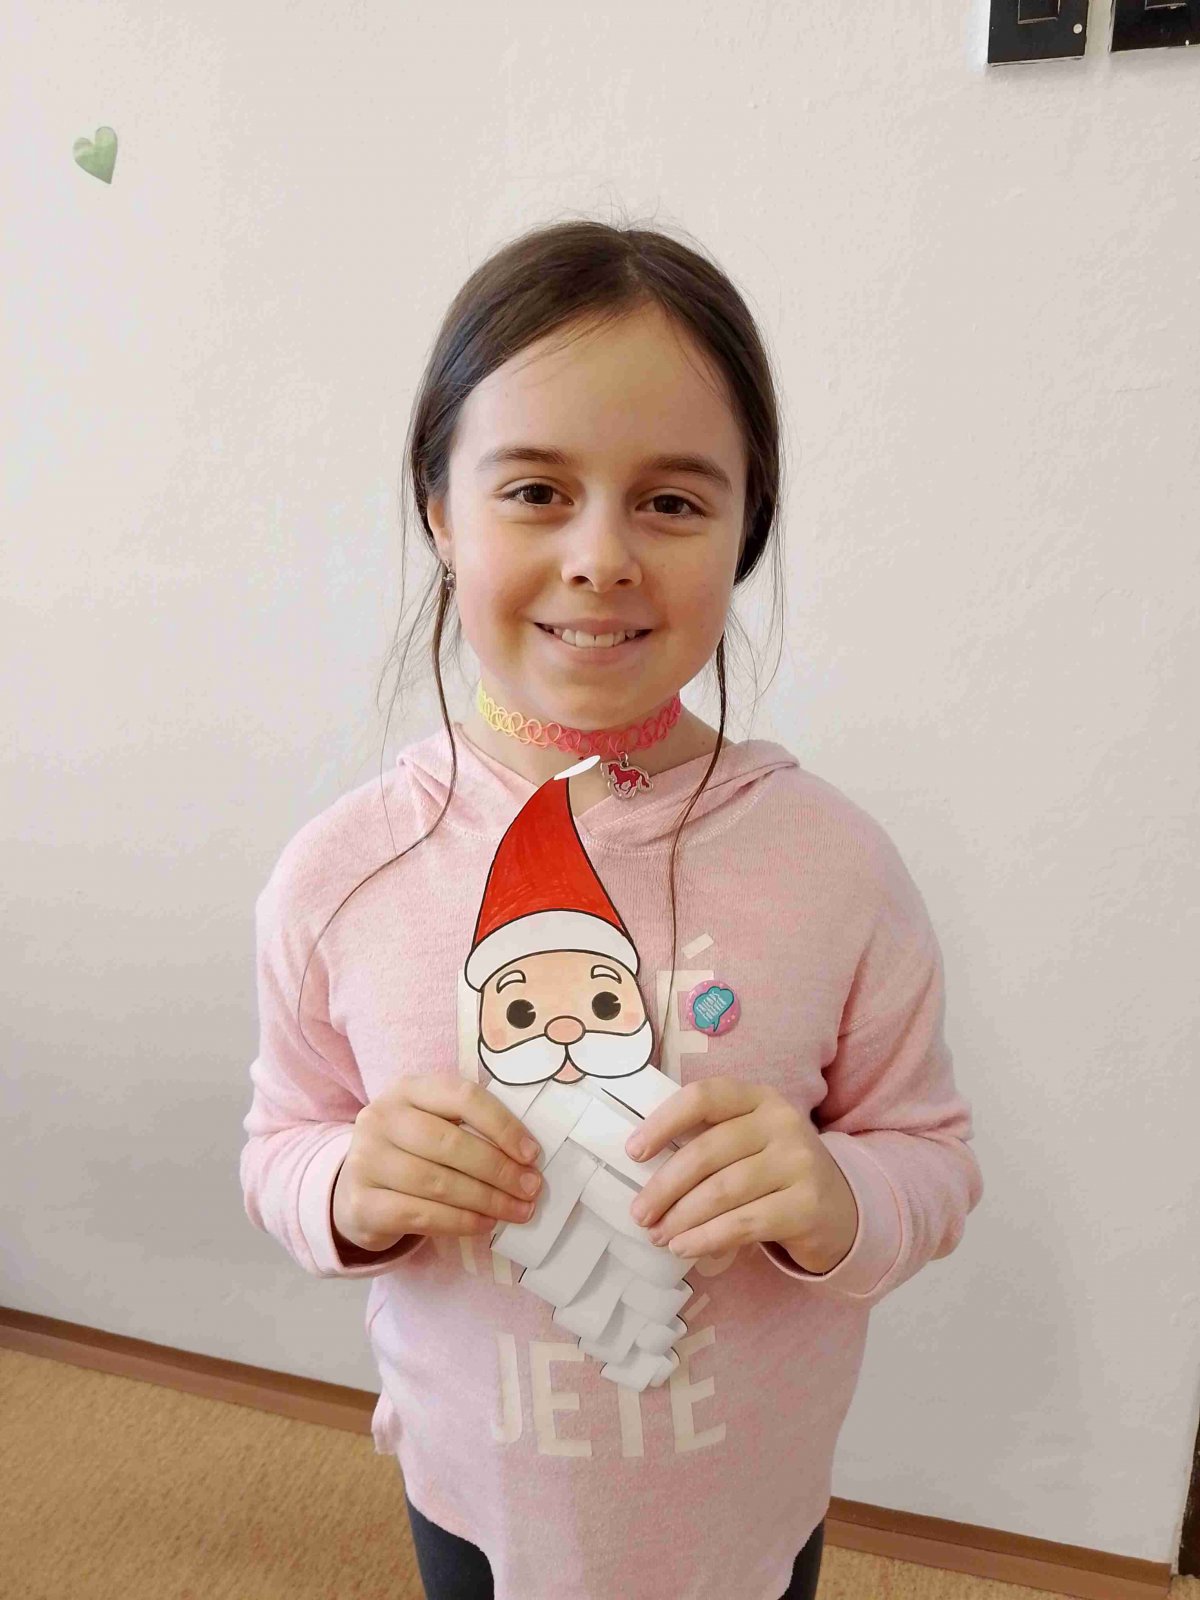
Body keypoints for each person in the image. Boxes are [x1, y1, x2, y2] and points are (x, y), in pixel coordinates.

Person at [239, 216, 984, 1600]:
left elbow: (929, 1153)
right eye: (535, 490)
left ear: (747, 527)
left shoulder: (836, 866)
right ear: (438, 509)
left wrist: (836, 1196)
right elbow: (280, 1142)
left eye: (673, 502)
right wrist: (345, 1186)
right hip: (475, 1493)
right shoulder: (342, 877)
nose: (600, 555)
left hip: (747, 1508)